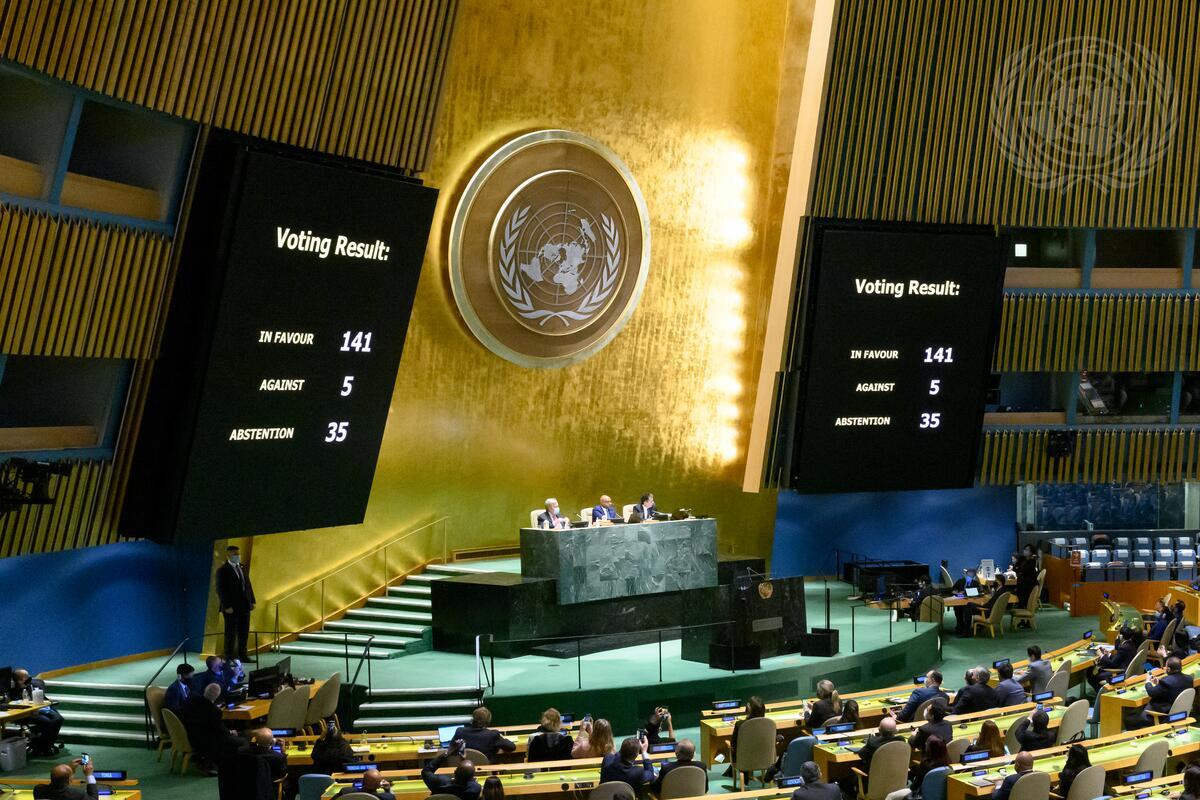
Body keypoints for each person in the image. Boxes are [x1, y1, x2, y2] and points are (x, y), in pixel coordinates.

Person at [181, 683, 241, 773]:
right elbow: (219, 730)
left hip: (190, 736)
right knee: (241, 741)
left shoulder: (191, 701)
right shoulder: (214, 711)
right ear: (217, 696)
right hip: (208, 742)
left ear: (205, 690)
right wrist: (230, 732)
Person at [216, 544, 256, 663]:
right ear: (228, 555)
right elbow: (220, 589)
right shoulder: (222, 570)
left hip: (245, 606)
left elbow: (248, 585)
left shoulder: (242, 567)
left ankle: (243, 655)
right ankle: (229, 657)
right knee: (231, 633)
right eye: (235, 554)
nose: (238, 556)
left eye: (239, 554)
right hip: (231, 608)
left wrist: (252, 601)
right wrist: (227, 606)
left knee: (244, 632)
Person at [9, 669, 64, 756]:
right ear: (19, 680)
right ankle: (43, 746)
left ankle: (43, 744)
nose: (29, 679)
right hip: (27, 713)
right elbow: (16, 704)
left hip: (41, 709)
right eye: (26, 677)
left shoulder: (32, 685)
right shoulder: (13, 690)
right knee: (47, 722)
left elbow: (42, 698)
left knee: (58, 719)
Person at [1135, 655, 1193, 727]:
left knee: (1132, 720)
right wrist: (1159, 683)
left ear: (1168, 669)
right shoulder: (1189, 679)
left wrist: (1147, 682)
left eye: (1165, 667)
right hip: (1181, 713)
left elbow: (1151, 693)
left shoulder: (1166, 681)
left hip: (1163, 715)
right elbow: (1174, 688)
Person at [1089, 625, 1142, 692]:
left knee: (1093, 677)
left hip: (1120, 673)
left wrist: (1101, 655)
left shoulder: (1124, 647)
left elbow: (1112, 663)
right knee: (1099, 669)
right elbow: (1119, 658)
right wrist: (1109, 654)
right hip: (1125, 670)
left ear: (1121, 636)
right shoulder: (1131, 644)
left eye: (1119, 634)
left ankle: (1100, 695)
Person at [451, 707, 516, 760]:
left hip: (464, 767)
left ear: (473, 719)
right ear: (488, 722)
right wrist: (502, 737)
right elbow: (512, 747)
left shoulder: (460, 731)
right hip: (486, 768)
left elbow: (451, 747)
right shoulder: (493, 735)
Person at [32, 759, 97, 800]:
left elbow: (61, 777)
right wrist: (89, 775)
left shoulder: (39, 790)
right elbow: (93, 798)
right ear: (70, 781)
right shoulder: (78, 795)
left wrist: (70, 769)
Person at [730, 696, 766, 766]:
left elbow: (733, 744)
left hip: (743, 760)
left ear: (748, 709)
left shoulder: (740, 725)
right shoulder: (768, 724)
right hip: (765, 758)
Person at [951, 567, 982, 635]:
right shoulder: (960, 581)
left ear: (974, 575)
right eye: (969, 574)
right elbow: (952, 590)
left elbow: (980, 592)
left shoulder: (975, 583)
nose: (970, 575)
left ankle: (965, 629)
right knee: (957, 607)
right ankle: (960, 626)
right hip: (960, 600)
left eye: (972, 574)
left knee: (967, 609)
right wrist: (957, 593)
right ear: (966, 574)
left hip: (971, 602)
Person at [1014, 544, 1039, 610]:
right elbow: (1015, 567)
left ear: (1031, 552)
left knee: (1022, 584)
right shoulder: (1022, 558)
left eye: (1027, 550)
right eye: (1024, 549)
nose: (1025, 551)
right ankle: (1020, 605)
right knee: (1019, 583)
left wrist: (1019, 570)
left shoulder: (1032, 561)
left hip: (1029, 583)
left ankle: (1022, 605)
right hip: (1022, 580)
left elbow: (1025, 571)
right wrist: (1019, 570)